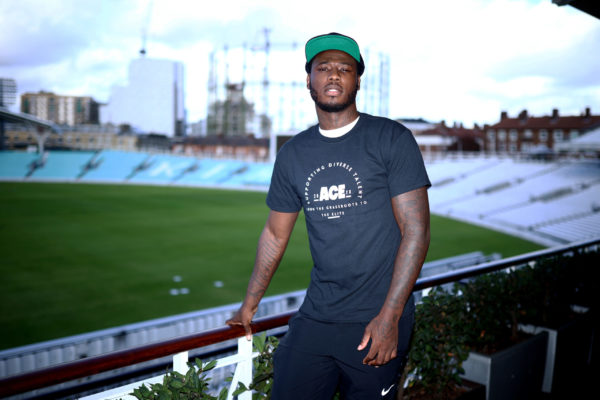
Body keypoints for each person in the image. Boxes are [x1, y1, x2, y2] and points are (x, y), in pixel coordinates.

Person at [226, 32, 431, 399]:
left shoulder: (391, 138)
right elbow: (275, 235)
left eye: (344, 69)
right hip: (316, 316)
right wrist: (249, 305)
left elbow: (415, 231)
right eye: (323, 68)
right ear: (309, 80)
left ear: (356, 80)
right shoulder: (293, 153)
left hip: (376, 318)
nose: (333, 76)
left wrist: (390, 317)